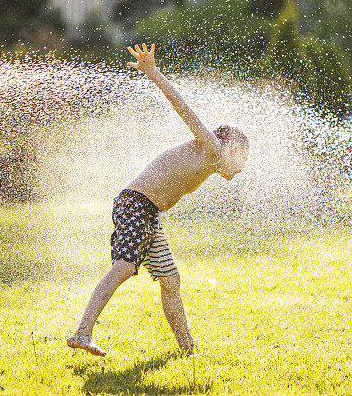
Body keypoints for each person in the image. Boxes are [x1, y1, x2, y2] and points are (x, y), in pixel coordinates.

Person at [67, 43, 249, 357]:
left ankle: (188, 349)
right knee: (124, 267)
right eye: (241, 155)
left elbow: (225, 174)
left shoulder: (211, 159)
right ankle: (82, 333)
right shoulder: (210, 145)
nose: (240, 164)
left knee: (171, 280)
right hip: (136, 203)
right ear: (228, 146)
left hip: (149, 213)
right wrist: (153, 73)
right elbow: (183, 108)